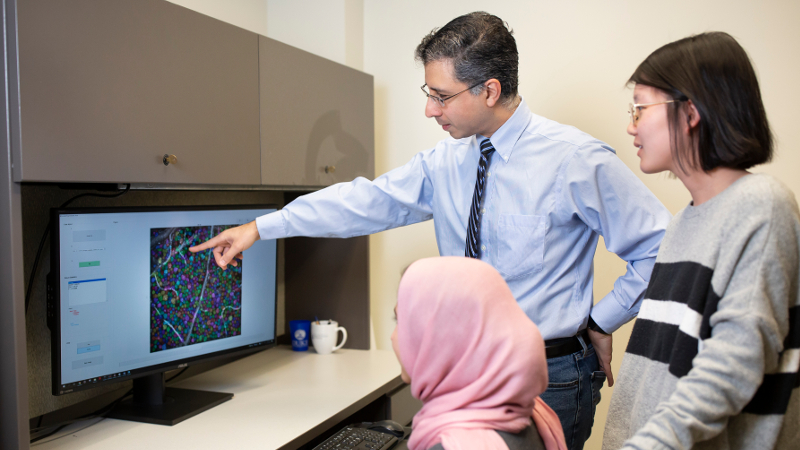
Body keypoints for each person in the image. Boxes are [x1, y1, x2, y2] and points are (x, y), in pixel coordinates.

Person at [190, 12, 672, 449]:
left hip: (552, 375)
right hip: (462, 373)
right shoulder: (446, 161)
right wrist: (262, 226)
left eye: (441, 97)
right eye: (429, 95)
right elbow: (365, 201)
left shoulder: (575, 159)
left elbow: (661, 247)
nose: (430, 111)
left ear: (489, 89)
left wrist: (601, 319)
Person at [602, 32, 800, 449]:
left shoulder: (761, 207)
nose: (630, 125)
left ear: (690, 112)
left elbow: (733, 365)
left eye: (640, 109)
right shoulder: (681, 223)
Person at [392, 256, 565, 450]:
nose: (393, 337)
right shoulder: (532, 414)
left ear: (444, 339)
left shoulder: (454, 446)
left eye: (401, 322)